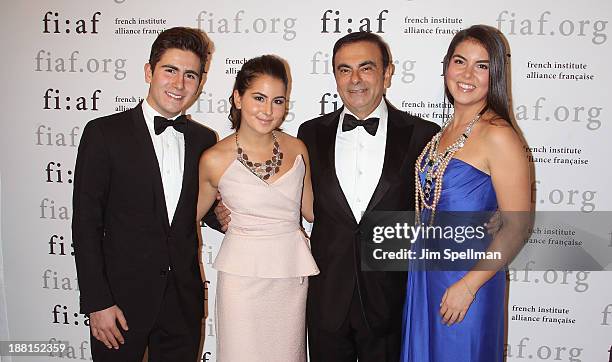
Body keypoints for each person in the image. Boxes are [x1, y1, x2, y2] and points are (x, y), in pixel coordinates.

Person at [72, 27, 218, 361]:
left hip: (182, 303)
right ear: (149, 71)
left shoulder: (204, 141)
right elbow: (85, 224)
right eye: (170, 71)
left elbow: (199, 209)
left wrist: (222, 215)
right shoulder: (103, 133)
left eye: (190, 75)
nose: (179, 84)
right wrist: (97, 302)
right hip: (118, 305)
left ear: (200, 81)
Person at [296, 32, 439, 361]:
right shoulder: (309, 133)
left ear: (387, 73)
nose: (355, 79)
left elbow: (434, 212)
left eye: (366, 68)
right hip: (326, 296)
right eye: (344, 69)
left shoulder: (423, 134)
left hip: (390, 298)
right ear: (334, 75)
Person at [400, 25, 531, 362]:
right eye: (460, 61)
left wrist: (469, 286)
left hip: (468, 279)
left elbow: (517, 226)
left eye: (482, 65)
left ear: (496, 74)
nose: (467, 73)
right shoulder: (444, 132)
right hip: (427, 275)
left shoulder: (498, 134)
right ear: (446, 66)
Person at [196, 55, 319, 361]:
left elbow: (312, 212)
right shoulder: (214, 158)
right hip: (242, 279)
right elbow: (190, 216)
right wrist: (216, 215)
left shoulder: (297, 148)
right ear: (238, 97)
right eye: (259, 98)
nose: (268, 111)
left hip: (290, 274)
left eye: (278, 101)